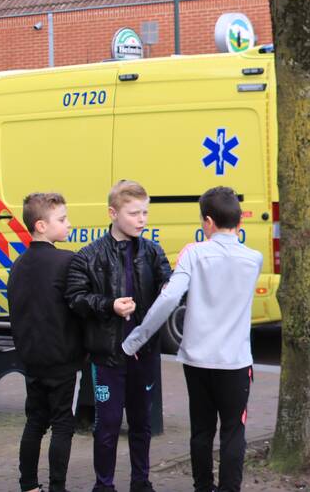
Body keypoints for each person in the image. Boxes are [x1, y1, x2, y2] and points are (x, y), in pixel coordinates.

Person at [122, 187, 263, 492]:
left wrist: (136, 339)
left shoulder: (194, 254)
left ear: (207, 221)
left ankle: (202, 487)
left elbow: (170, 297)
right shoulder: (254, 259)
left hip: (197, 358)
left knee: (201, 429)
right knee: (233, 430)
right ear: (239, 224)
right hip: (235, 361)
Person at [66, 180, 171, 492]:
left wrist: (169, 288)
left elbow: (167, 279)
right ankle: (104, 484)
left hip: (144, 353)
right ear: (113, 213)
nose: (142, 219)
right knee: (107, 424)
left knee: (142, 423)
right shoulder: (89, 256)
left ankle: (141, 482)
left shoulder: (152, 251)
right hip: (107, 355)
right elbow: (75, 297)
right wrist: (108, 305)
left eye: (145, 213)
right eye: (134, 213)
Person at [8, 192, 85, 492]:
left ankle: (28, 485)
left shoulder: (19, 264)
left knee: (35, 422)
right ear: (41, 225)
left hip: (31, 357)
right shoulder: (66, 261)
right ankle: (57, 486)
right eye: (62, 219)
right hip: (62, 357)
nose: (68, 224)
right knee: (63, 424)